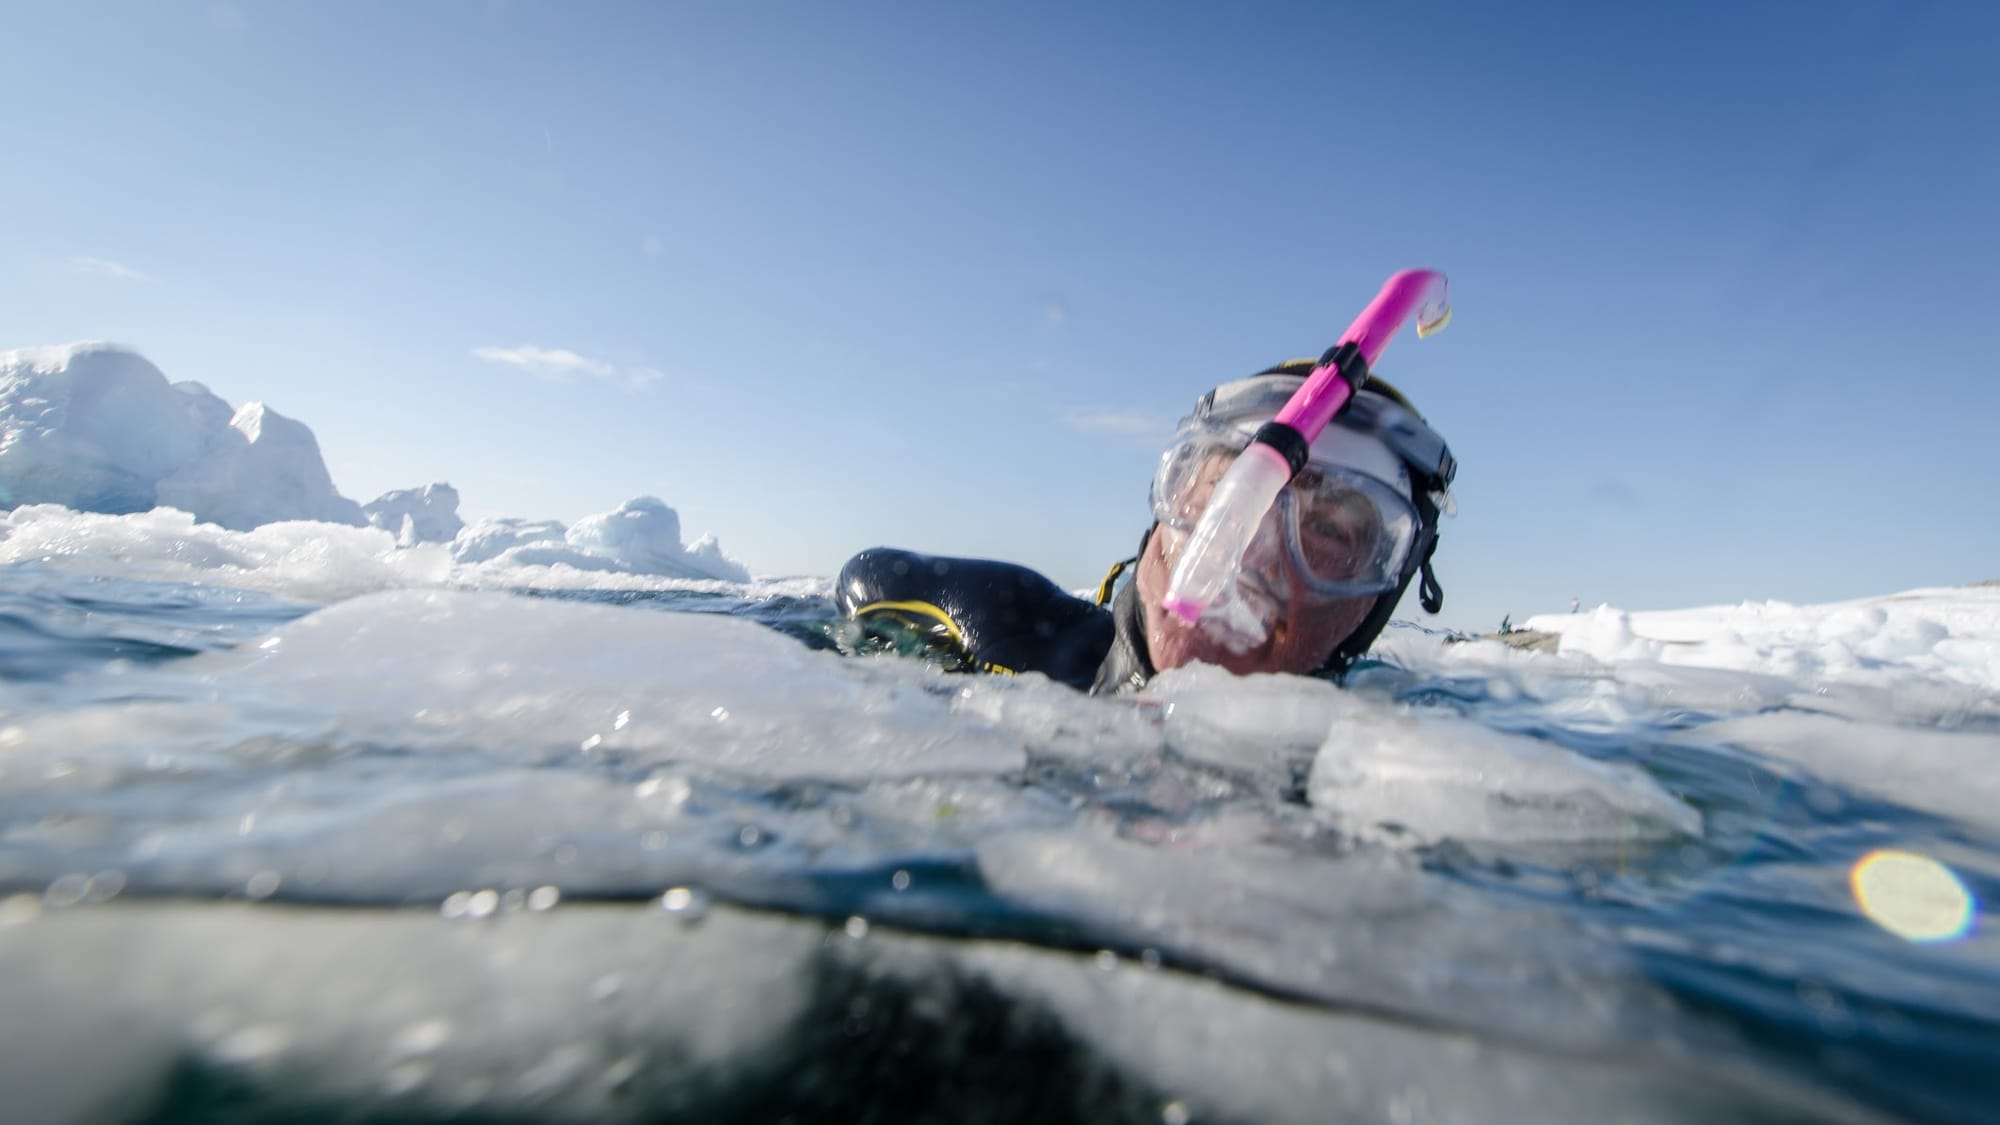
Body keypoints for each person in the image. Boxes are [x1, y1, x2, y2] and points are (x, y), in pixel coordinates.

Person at [834, 359, 1457, 694]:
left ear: (1374, 606)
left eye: (1328, 533)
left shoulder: (1409, 771)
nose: (1249, 551)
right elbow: (870, 579)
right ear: (1165, 505)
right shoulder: (1019, 636)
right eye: (1224, 493)